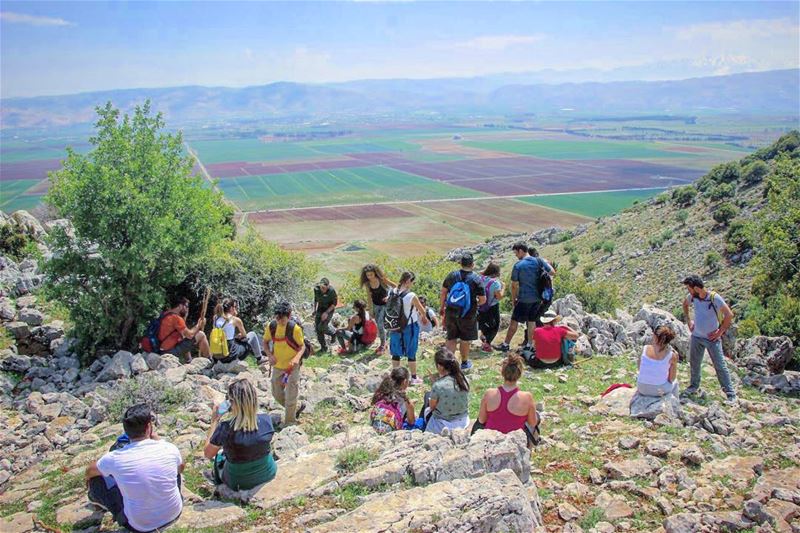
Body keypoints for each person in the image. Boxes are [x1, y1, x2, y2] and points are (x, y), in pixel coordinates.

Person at [85, 404, 184, 532]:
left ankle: (98, 501)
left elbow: (90, 471)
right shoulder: (169, 448)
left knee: (95, 480)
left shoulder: (114, 458)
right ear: (149, 427)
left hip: (139, 525)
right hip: (173, 513)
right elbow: (180, 469)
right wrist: (158, 439)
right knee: (174, 466)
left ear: (126, 431)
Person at [203, 378, 277, 491]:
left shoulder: (225, 428)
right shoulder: (266, 420)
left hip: (238, 481)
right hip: (267, 473)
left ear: (233, 403)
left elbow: (208, 454)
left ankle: (216, 479)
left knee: (220, 456)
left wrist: (214, 421)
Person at [681, 275, 737, 404]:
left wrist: (720, 332)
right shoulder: (693, 297)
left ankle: (730, 394)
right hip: (696, 336)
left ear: (696, 288)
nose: (688, 292)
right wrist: (689, 321)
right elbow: (685, 305)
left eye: (689, 289)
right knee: (694, 363)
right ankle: (694, 386)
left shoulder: (714, 298)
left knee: (720, 366)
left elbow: (729, 315)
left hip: (712, 339)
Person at [495, 243, 554, 353]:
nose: (516, 255)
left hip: (524, 298)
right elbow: (552, 272)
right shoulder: (539, 261)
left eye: (516, 253)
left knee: (514, 321)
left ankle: (506, 344)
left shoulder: (518, 265)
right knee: (532, 321)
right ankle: (529, 345)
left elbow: (514, 285)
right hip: (537, 298)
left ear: (521, 251)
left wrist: (514, 299)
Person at [477, 353, 539, 448]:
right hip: (514, 444)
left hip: (490, 443)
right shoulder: (527, 397)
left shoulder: (489, 394)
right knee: (537, 418)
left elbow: (481, 420)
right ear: (520, 374)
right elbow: (532, 423)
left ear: (502, 372)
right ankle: (528, 453)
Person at [440, 253, 487, 371]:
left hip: (451, 312)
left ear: (460, 263)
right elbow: (483, 300)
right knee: (465, 339)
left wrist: (442, 307)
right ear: (472, 264)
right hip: (468, 314)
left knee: (451, 338)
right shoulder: (476, 279)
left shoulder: (452, 275)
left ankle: (448, 365)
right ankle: (464, 363)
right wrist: (475, 303)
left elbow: (443, 292)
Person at [263, 301, 306, 426]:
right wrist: (269, 355)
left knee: (291, 394)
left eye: (283, 318)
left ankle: (290, 423)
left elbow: (302, 346)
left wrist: (296, 358)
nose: (280, 321)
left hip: (292, 367)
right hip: (277, 365)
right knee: (276, 393)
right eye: (278, 318)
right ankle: (296, 408)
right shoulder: (271, 327)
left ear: (289, 315)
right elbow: (265, 342)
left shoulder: (295, 329)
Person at [389, 272, 430, 386]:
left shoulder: (392, 292)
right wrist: (425, 318)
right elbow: (422, 310)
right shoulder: (411, 295)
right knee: (411, 351)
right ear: (408, 281)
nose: (412, 284)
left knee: (396, 351)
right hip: (410, 326)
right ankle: (413, 377)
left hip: (395, 325)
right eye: (412, 281)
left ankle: (395, 378)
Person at [425, 347, 470, 435]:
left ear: (440, 366)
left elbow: (432, 406)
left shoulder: (438, 386)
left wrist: (435, 384)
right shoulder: (464, 380)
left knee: (427, 397)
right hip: (462, 420)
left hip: (442, 423)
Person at [211, 298, 266, 365]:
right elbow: (245, 336)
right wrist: (239, 336)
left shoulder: (215, 318)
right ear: (231, 308)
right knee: (252, 334)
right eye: (235, 307)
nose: (236, 308)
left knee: (234, 340)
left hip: (217, 354)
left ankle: (214, 361)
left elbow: (221, 335)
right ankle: (259, 358)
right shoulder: (236, 320)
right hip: (230, 355)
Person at [158, 295, 210, 362]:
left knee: (182, 338)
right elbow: (190, 335)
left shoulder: (165, 314)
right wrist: (199, 325)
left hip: (161, 350)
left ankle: (189, 360)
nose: (187, 309)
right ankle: (209, 361)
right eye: (186, 306)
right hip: (169, 352)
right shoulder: (176, 318)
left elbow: (183, 333)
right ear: (180, 306)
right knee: (201, 334)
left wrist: (185, 317)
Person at [360, 264, 396, 355]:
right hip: (376, 305)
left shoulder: (382, 280)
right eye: (368, 275)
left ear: (375, 273)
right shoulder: (368, 284)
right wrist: (370, 309)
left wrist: (389, 296)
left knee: (380, 324)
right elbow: (369, 297)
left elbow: (395, 287)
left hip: (386, 305)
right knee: (379, 324)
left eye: (371, 275)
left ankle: (383, 345)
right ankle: (386, 338)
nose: (370, 277)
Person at [636, 324, 679, 397]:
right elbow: (671, 379)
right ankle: (674, 405)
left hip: (641, 388)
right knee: (675, 382)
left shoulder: (644, 349)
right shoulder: (671, 356)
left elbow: (639, 368)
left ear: (654, 336)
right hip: (659, 390)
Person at [370, 367, 417, 433]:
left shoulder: (382, 391)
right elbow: (411, 422)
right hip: (394, 432)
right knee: (420, 422)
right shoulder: (406, 401)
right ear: (404, 382)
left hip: (376, 425)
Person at [477, 262, 504, 353]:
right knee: (494, 325)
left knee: (484, 323)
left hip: (480, 306)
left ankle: (483, 337)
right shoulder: (496, 283)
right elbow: (499, 296)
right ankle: (487, 344)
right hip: (492, 307)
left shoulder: (480, 279)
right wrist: (503, 287)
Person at [313, 278, 338, 352]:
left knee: (322, 327)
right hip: (320, 308)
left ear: (328, 286)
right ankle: (323, 347)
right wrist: (314, 310)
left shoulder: (331, 291)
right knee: (318, 329)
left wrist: (326, 313)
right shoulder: (316, 289)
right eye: (321, 287)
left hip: (329, 309)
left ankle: (333, 333)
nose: (322, 289)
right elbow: (315, 299)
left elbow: (334, 304)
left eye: (324, 288)